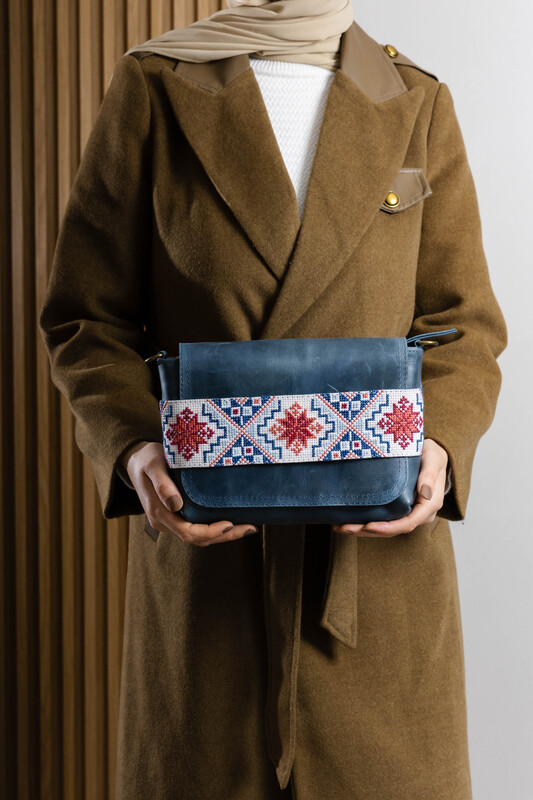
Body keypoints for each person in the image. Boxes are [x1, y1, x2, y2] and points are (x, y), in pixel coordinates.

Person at [38, 1, 507, 798]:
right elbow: (88, 318)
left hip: (377, 577)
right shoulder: (155, 84)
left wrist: (437, 451)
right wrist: (136, 448)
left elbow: (463, 325)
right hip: (206, 560)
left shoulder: (414, 99)